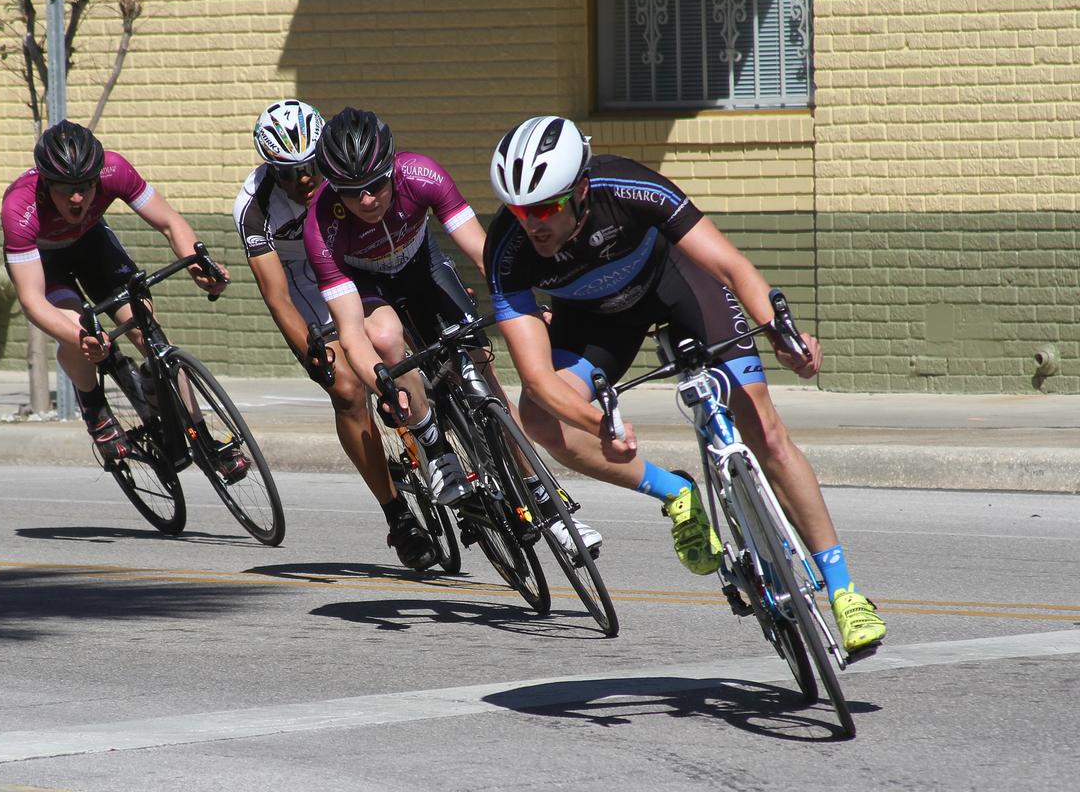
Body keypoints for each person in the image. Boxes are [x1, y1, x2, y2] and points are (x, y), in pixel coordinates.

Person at [483, 115, 886, 655]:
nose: (531, 223)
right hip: (597, 323)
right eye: (518, 209)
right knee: (535, 418)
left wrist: (784, 337)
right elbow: (535, 377)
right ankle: (676, 492)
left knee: (763, 429)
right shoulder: (507, 251)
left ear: (580, 191)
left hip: (678, 288)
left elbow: (732, 267)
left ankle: (844, 592)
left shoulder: (629, 186)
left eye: (544, 207)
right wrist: (600, 425)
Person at [304, 107, 602, 559]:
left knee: (480, 368)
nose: (367, 200)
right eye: (352, 192)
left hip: (424, 271)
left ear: (392, 169)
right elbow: (351, 332)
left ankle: (544, 496)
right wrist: (380, 381)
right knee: (386, 339)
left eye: (376, 185)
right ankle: (432, 440)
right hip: (368, 290)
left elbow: (486, 256)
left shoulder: (422, 174)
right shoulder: (321, 227)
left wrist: (525, 304)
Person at [234, 98, 437, 571]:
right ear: (270, 170)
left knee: (407, 336)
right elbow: (277, 296)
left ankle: (445, 425)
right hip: (302, 281)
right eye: (289, 173)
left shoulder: (347, 172)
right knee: (346, 389)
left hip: (351, 261)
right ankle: (398, 517)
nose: (305, 180)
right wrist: (311, 348)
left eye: (310, 167)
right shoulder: (253, 209)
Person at [0, 120, 241, 476]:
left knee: (148, 330)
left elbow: (170, 223)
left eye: (85, 186)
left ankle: (203, 438)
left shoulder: (116, 170)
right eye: (66, 189)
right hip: (44, 261)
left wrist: (199, 267)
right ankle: (95, 408)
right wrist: (82, 337)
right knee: (78, 326)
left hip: (93, 248)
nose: (77, 198)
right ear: (47, 183)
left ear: (99, 176)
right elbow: (33, 301)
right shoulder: (20, 206)